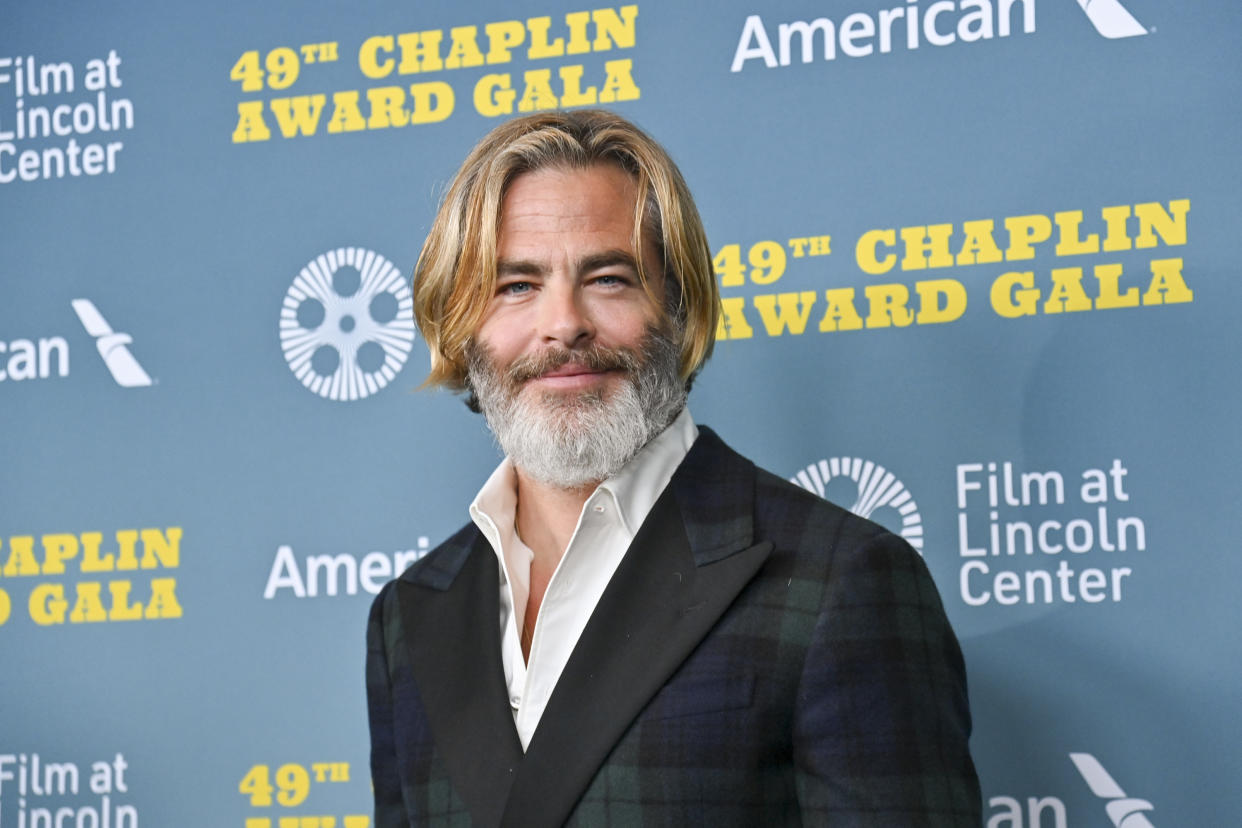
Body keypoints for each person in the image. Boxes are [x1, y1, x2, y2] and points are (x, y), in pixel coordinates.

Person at [366, 109, 980, 827]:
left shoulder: (841, 582)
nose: (563, 323)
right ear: (462, 324)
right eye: (516, 286)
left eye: (609, 278)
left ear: (678, 308)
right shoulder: (410, 615)